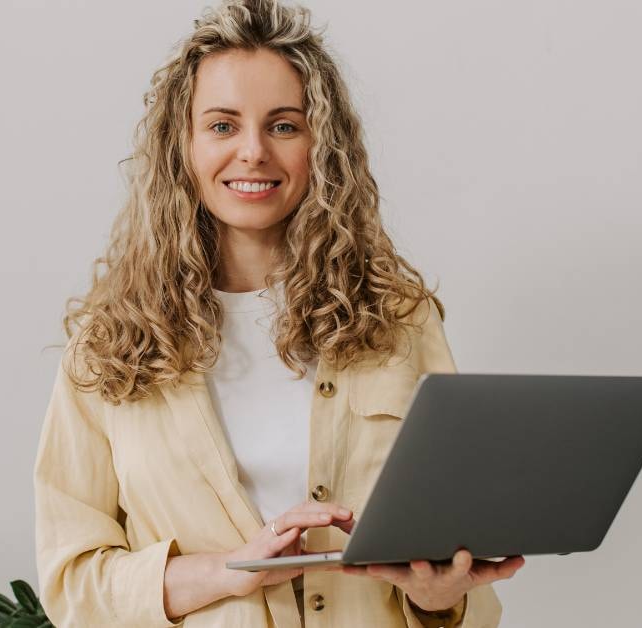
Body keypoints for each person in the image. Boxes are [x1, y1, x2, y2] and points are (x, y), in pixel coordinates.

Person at [33, 0, 525, 625]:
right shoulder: (108, 343)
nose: (253, 152)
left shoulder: (401, 320)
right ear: (181, 146)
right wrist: (231, 571)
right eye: (221, 125)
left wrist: (441, 598)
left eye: (284, 126)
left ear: (323, 146)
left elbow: (454, 543)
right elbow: (72, 585)